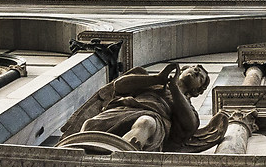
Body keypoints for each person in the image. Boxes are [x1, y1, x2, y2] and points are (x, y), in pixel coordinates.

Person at [57, 63, 218, 152]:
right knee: (90, 125)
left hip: (155, 119)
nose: (197, 71)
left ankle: (124, 153)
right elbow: (119, 86)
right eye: (194, 69)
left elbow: (189, 125)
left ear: (198, 90)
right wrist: (156, 78)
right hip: (125, 109)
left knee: (145, 123)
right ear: (183, 70)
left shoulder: (187, 108)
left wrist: (174, 87)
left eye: (201, 77)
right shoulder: (151, 83)